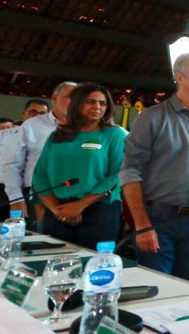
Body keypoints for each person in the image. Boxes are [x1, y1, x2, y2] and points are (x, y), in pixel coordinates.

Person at [120, 52, 189, 281]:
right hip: (159, 219)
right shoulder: (151, 118)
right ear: (180, 77)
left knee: (188, 287)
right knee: (157, 287)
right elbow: (130, 171)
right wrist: (142, 224)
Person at [32, 83, 125, 250]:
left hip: (98, 210)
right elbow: (39, 176)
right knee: (55, 260)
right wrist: (58, 210)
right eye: (91, 102)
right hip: (58, 210)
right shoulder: (57, 135)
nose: (97, 107)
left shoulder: (114, 134)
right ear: (77, 103)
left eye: (102, 103)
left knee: (93, 263)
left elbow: (117, 174)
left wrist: (80, 205)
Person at [0, 82, 76, 227]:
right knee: (39, 237)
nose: (75, 101)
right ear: (55, 98)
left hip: (76, 197)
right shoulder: (32, 126)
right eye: (70, 97)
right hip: (37, 197)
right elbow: (12, 164)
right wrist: (16, 199)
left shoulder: (88, 127)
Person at [0, 99, 49, 220]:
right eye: (33, 112)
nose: (37, 117)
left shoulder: (50, 137)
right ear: (24, 113)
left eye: (42, 114)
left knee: (26, 227)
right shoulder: (4, 134)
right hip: (1, 188)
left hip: (30, 189)